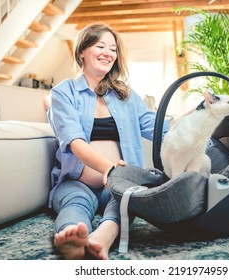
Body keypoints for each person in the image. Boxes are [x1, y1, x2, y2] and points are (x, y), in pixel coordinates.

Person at [47, 23, 172, 260]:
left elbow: (158, 127)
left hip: (118, 184)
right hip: (76, 181)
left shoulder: (126, 95)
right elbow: (74, 141)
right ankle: (72, 237)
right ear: (82, 51)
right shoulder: (63, 93)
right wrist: (109, 169)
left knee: (125, 200)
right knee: (75, 203)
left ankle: (104, 236)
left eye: (113, 49)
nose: (108, 53)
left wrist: (198, 116)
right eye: (100, 46)